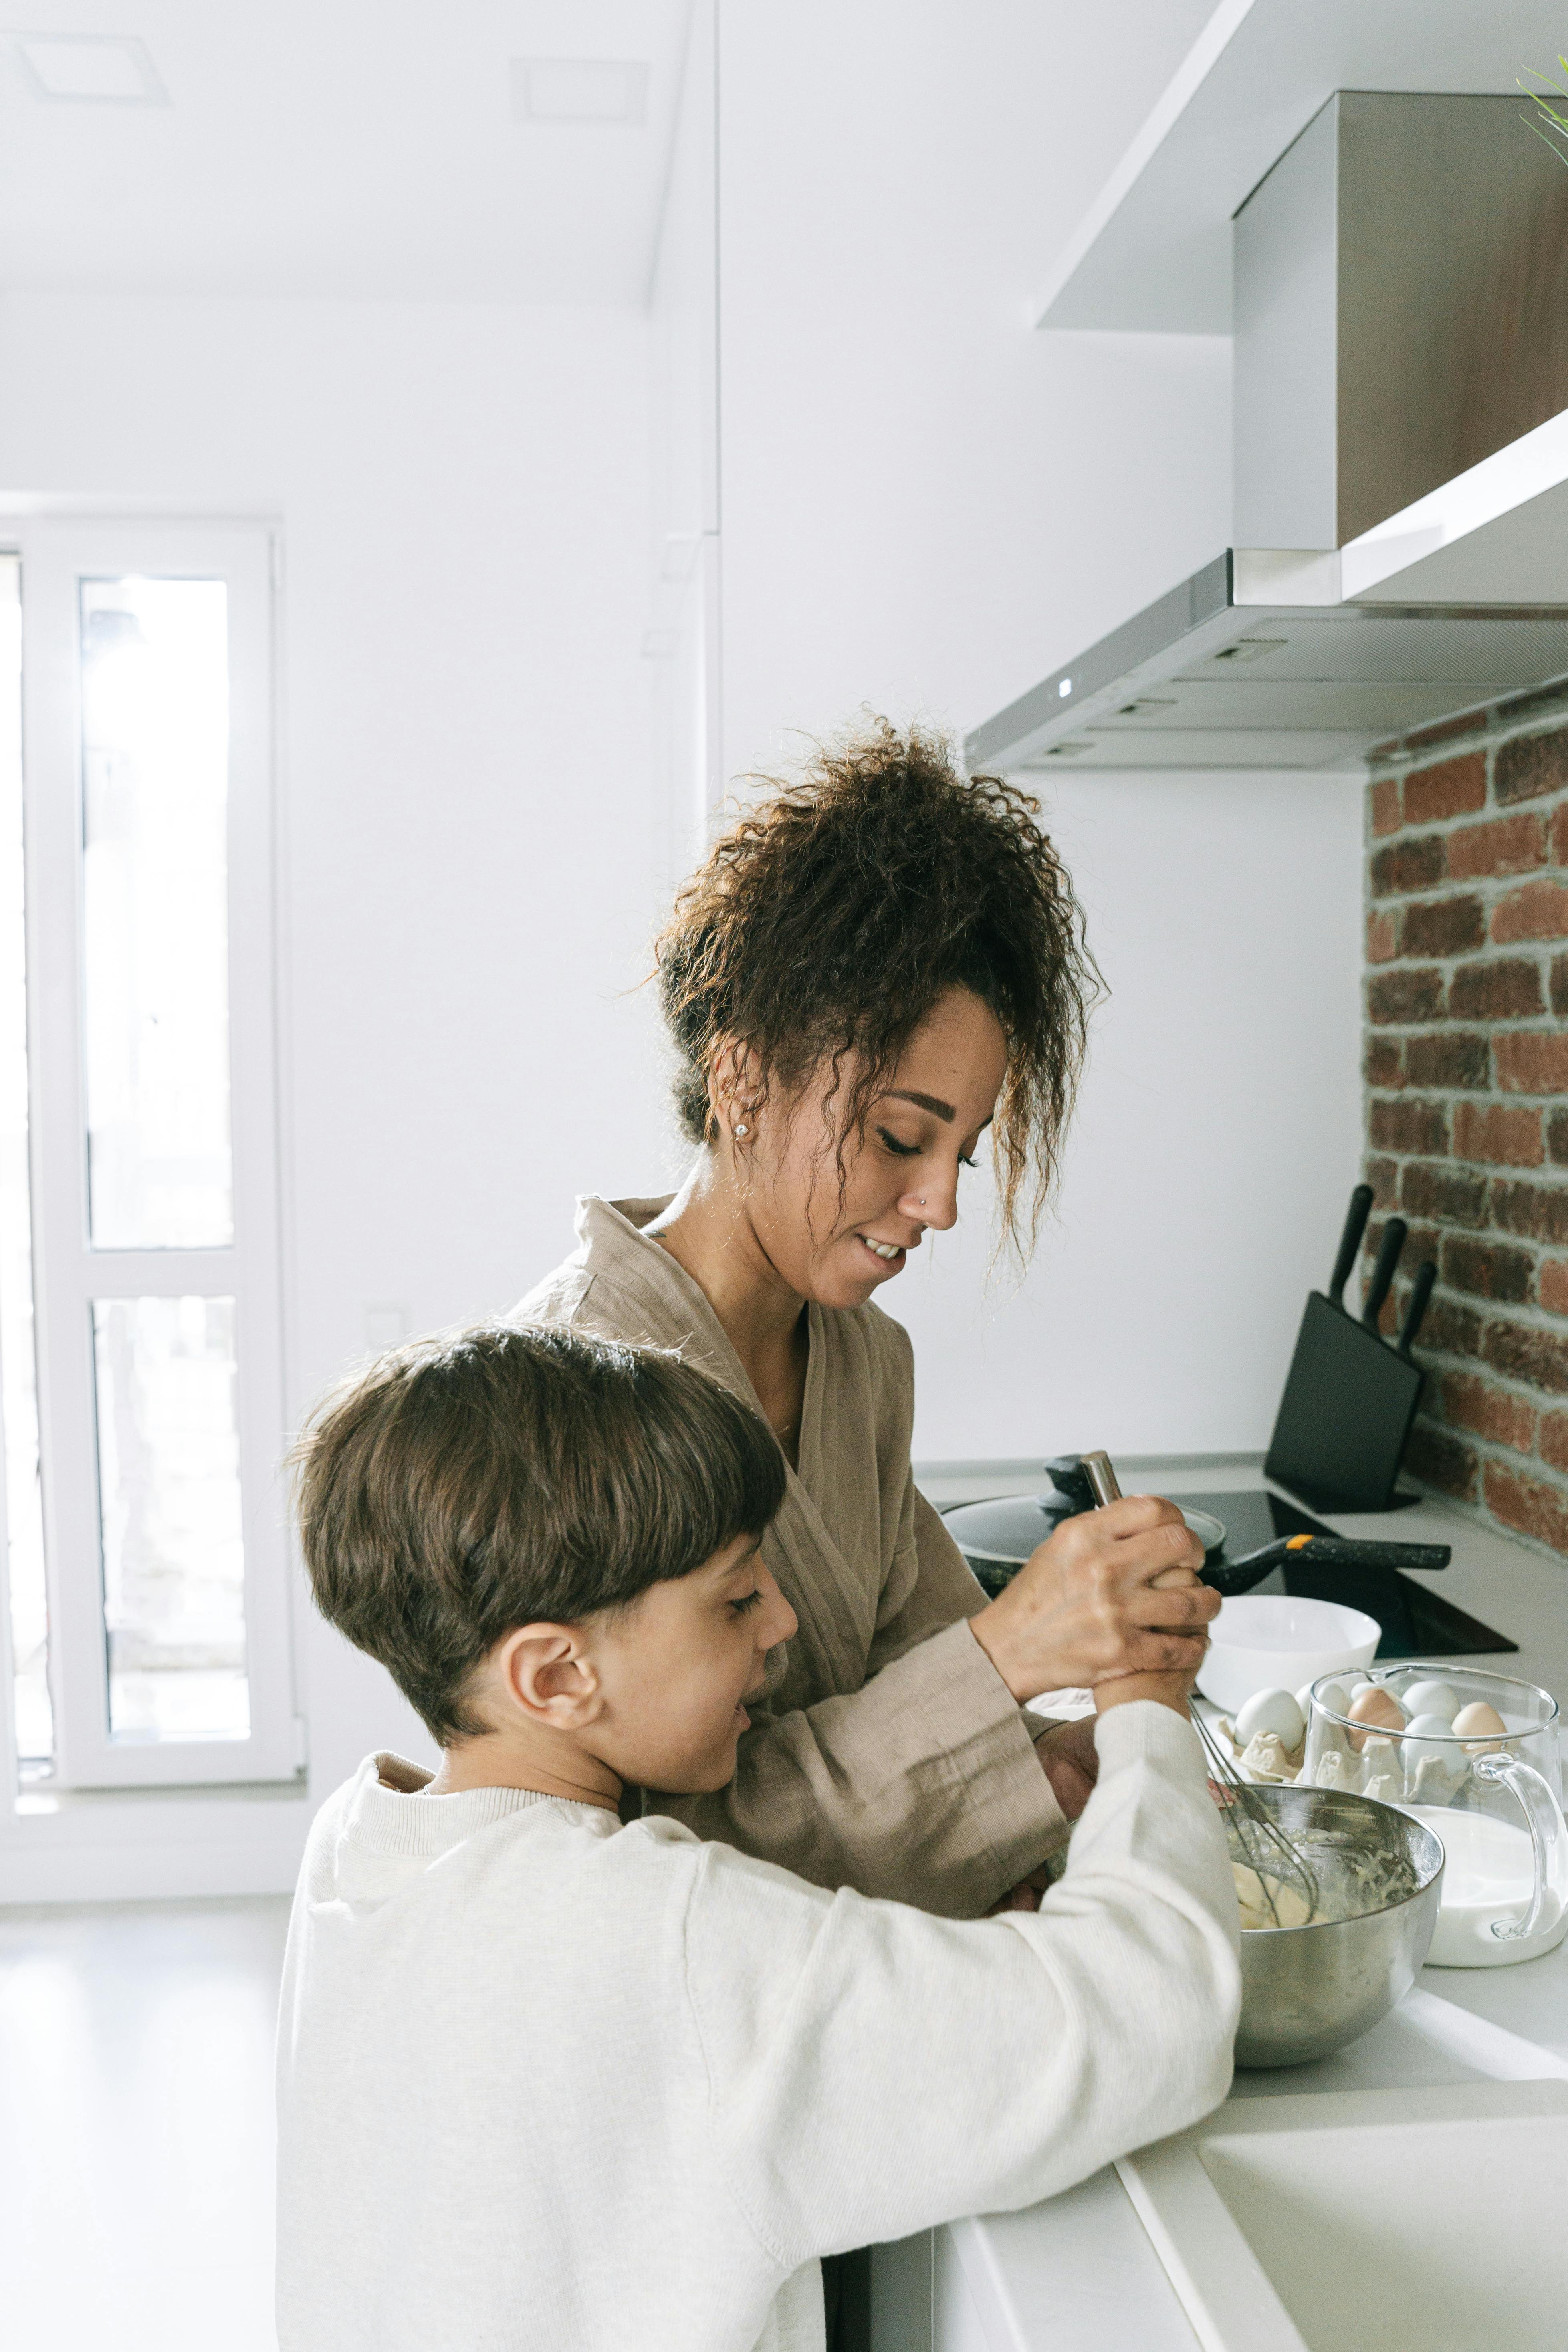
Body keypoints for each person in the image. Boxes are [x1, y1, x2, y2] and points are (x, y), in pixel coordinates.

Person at [276, 1322, 1240, 2352]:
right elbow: (1154, 2009)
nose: (781, 1620)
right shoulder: (661, 1938)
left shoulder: (358, 1846)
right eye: (737, 1596)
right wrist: (1145, 1710)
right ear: (555, 1676)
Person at [516, 720, 1221, 1919]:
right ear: (741, 1079)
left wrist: (1056, 1748)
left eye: (964, 1150)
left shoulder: (861, 1356)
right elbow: (654, 1867)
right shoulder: (574, 1393)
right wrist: (1012, 1654)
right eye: (902, 1135)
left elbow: (921, 1664)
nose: (939, 1201)